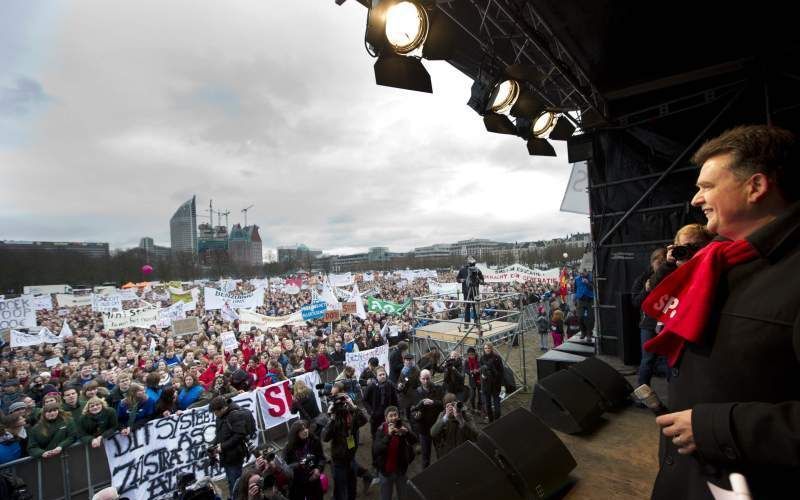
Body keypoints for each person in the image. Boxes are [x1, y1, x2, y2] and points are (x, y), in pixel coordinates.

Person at [645, 125, 800, 499]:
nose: (697, 199)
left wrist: (715, 427)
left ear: (756, 187)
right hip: (696, 476)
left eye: (707, 187)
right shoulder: (718, 259)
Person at [631, 248, 668, 387]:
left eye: (663, 262)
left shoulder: (673, 275)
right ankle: (643, 395)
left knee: (671, 360)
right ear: (652, 262)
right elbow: (635, 302)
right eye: (658, 263)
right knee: (647, 359)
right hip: (649, 323)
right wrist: (646, 290)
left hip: (668, 321)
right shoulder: (643, 279)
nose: (660, 266)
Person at [322, 393, 368, 500]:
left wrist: (354, 406)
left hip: (351, 458)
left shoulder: (352, 414)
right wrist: (331, 417)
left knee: (352, 487)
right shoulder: (334, 419)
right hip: (338, 461)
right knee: (340, 490)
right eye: (340, 403)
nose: (342, 405)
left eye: (344, 401)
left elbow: (364, 420)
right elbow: (325, 437)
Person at [208, 396, 252, 495]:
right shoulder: (220, 417)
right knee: (230, 480)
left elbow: (240, 435)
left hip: (235, 454)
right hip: (226, 455)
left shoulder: (235, 415)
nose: (215, 415)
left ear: (223, 408)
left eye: (216, 412)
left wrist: (222, 447)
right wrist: (214, 445)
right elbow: (220, 434)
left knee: (236, 482)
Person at [372, 406, 418, 500]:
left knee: (403, 496)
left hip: (400, 471)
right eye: (390, 416)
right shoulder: (381, 430)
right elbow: (377, 450)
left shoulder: (402, 426)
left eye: (395, 415)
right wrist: (388, 435)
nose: (393, 418)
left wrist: (407, 433)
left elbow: (414, 440)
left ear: (398, 416)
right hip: (386, 472)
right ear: (386, 418)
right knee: (386, 497)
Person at [283, 420, 325, 500]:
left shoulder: (314, 440)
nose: (305, 431)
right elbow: (285, 468)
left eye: (306, 428)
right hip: (298, 484)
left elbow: (321, 458)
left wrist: (318, 469)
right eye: (302, 429)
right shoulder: (288, 448)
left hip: (314, 480)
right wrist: (299, 464)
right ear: (295, 433)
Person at [411, 369, 444, 468]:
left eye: (428, 378)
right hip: (424, 429)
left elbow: (444, 404)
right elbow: (412, 411)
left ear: (431, 378)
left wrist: (433, 402)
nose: (425, 381)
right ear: (420, 379)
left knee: (441, 454)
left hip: (437, 426)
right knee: (425, 457)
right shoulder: (416, 392)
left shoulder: (438, 389)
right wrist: (416, 416)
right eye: (423, 379)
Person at [430, 393, 479, 459]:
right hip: (449, 454)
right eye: (449, 406)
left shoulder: (465, 415)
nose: (453, 408)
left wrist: (461, 420)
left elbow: (475, 436)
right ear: (445, 407)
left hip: (464, 453)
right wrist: (445, 418)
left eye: (454, 404)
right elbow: (433, 433)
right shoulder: (442, 415)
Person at [363, 367, 399, 438]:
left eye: (384, 374)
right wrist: (371, 412)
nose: (382, 376)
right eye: (380, 375)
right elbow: (364, 400)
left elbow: (395, 399)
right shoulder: (372, 386)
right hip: (376, 415)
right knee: (376, 435)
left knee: (389, 434)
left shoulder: (390, 384)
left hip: (388, 415)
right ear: (376, 376)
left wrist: (397, 412)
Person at [456, 257, 484, 328]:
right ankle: (467, 322)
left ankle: (477, 321)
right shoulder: (463, 270)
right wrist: (461, 280)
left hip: (475, 290)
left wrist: (480, 281)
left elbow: (482, 279)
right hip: (466, 291)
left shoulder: (477, 270)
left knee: (476, 306)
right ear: (468, 263)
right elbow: (457, 278)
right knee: (467, 307)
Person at [479, 342, 503, 422]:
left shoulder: (497, 357)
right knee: (488, 404)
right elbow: (480, 369)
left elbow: (501, 371)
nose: (487, 350)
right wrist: (483, 374)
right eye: (485, 348)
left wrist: (498, 380)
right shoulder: (482, 358)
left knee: (497, 403)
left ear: (491, 348)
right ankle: (490, 419)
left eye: (488, 348)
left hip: (495, 384)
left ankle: (497, 418)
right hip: (486, 385)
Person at [573, 270, 594, 339]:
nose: (582, 274)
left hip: (590, 300)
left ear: (587, 272)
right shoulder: (577, 279)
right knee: (580, 317)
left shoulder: (592, 277)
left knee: (590, 318)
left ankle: (589, 333)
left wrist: (588, 283)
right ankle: (583, 331)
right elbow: (575, 290)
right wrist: (575, 298)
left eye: (583, 273)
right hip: (580, 300)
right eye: (580, 273)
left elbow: (594, 288)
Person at [463, 347, 482, 413]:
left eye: (473, 354)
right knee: (472, 395)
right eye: (470, 355)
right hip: (471, 380)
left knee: (480, 394)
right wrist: (470, 371)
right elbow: (465, 370)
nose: (472, 356)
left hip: (479, 379)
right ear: (468, 354)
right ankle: (473, 408)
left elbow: (481, 367)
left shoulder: (479, 359)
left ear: (475, 353)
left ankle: (479, 407)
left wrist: (478, 370)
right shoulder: (466, 361)